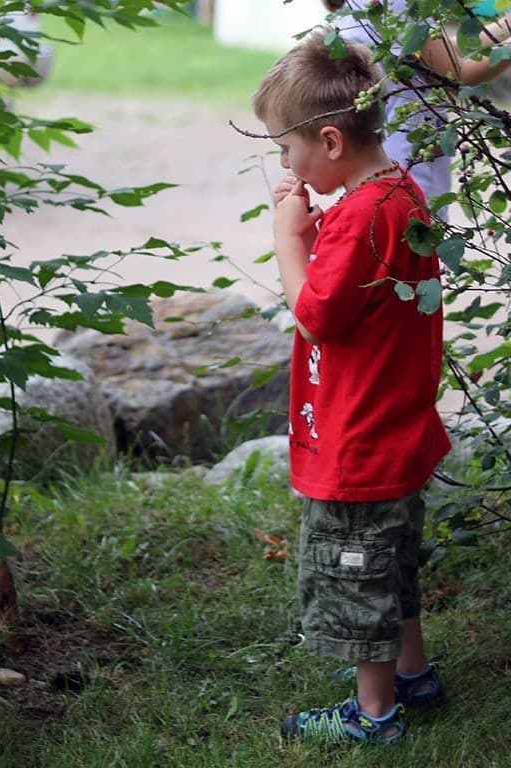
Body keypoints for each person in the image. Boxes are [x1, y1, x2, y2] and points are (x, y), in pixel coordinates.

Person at [252, 30, 451, 744]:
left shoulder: (359, 218)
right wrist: (318, 224)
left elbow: (316, 312)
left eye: (287, 149)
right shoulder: (398, 194)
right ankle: (412, 674)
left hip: (359, 449)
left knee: (356, 575)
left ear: (330, 142)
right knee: (393, 571)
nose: (285, 162)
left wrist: (288, 236)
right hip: (398, 432)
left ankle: (375, 716)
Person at [321, 0, 511, 206]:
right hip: (409, 165)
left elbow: (441, 48)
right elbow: (458, 73)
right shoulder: (395, 3)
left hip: (386, 162)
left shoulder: (362, 4)